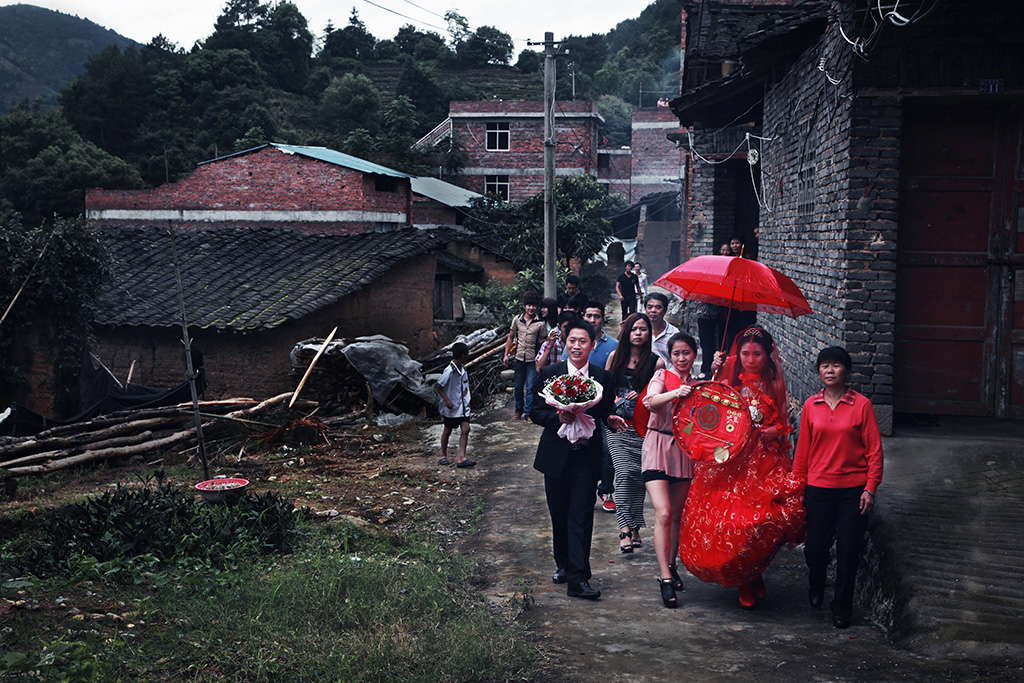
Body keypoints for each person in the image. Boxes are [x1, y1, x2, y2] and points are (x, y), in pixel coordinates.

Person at [680, 327, 805, 609]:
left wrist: (775, 431)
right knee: (729, 523)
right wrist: (714, 372)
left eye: (757, 354)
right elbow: (708, 407)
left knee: (760, 522)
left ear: (767, 355)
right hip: (731, 461)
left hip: (763, 461)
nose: (750, 359)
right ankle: (744, 581)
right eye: (746, 353)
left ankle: (753, 573)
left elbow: (785, 425)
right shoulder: (730, 383)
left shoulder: (776, 386)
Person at [532, 320, 629, 600]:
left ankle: (579, 577)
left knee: (581, 516)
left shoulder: (602, 377)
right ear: (566, 343)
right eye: (572, 341)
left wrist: (610, 418)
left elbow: (606, 411)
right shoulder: (550, 374)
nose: (577, 346)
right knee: (559, 515)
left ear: (593, 344)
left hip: (586, 456)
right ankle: (563, 563)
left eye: (583, 341)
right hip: (556, 455)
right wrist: (557, 418)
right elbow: (536, 411)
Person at [793, 346, 883, 629]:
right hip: (817, 488)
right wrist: (796, 487)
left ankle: (842, 607)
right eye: (825, 366)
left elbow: (875, 451)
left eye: (836, 365)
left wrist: (870, 488)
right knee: (815, 548)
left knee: (848, 550)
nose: (830, 370)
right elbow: (802, 451)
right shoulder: (810, 405)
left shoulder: (862, 405)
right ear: (818, 371)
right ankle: (816, 583)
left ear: (846, 370)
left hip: (852, 490)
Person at [640, 333, 700, 608]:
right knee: (663, 513)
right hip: (656, 447)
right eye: (677, 353)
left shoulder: (699, 385)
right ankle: (664, 577)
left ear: (694, 355)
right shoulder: (662, 376)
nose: (681, 358)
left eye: (686, 353)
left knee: (676, 515)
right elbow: (649, 402)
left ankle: (672, 565)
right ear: (670, 356)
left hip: (684, 452)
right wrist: (676, 392)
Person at [603, 313, 662, 555]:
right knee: (624, 473)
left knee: (637, 477)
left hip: (643, 428)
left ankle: (636, 526)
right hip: (618, 426)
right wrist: (614, 400)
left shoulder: (656, 363)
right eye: (634, 329)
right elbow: (603, 392)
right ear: (626, 332)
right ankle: (625, 529)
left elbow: (660, 399)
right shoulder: (614, 358)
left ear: (649, 334)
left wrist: (645, 398)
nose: (638, 333)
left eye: (643, 329)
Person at [581, 301, 620, 513]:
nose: (593, 320)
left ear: (603, 318)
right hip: (578, 409)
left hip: (603, 408)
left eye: (597, 316)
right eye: (589, 315)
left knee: (608, 450)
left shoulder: (613, 345)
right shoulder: (575, 343)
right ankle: (584, 489)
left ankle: (606, 490)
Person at [503, 291, 546, 421]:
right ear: (524, 305)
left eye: (533, 305)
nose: (531, 308)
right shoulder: (517, 320)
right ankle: (518, 410)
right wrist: (506, 354)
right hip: (519, 358)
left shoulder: (540, 323)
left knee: (531, 387)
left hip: (533, 360)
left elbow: (544, 341)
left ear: (536, 306)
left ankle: (529, 413)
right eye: (529, 305)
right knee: (518, 387)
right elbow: (510, 337)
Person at [435, 342, 476, 468]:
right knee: (448, 429)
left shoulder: (463, 369)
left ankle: (462, 457)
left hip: (463, 406)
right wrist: (447, 400)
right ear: (463, 355)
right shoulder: (449, 371)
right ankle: (443, 455)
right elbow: (438, 386)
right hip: (452, 407)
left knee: (466, 428)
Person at [694, 247, 730, 378]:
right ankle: (705, 369)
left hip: (720, 313)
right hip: (704, 315)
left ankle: (717, 369)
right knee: (705, 343)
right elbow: (699, 297)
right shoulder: (703, 280)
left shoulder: (723, 280)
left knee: (720, 342)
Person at [644, 292, 679, 363]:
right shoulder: (640, 331)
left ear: (665, 310)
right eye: (650, 307)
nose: (653, 310)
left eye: (658, 307)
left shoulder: (673, 334)